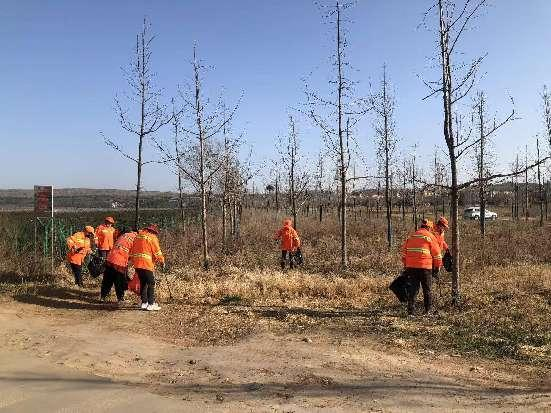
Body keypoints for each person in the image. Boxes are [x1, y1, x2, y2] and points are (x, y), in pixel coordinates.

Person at [401, 219, 442, 315]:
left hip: (411, 267)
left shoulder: (412, 236)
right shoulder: (430, 236)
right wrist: (437, 267)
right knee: (427, 289)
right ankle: (428, 311)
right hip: (425, 267)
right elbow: (437, 255)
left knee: (413, 289)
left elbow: (403, 254)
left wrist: (406, 265)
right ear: (429, 228)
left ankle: (411, 311)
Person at [129, 224, 165, 311]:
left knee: (143, 283)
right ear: (153, 231)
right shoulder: (152, 237)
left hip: (137, 264)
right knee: (151, 283)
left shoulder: (138, 237)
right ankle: (151, 304)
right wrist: (162, 261)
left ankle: (144, 303)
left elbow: (132, 251)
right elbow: (157, 252)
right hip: (146, 263)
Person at [101, 228, 137, 303]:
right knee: (119, 281)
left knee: (107, 279)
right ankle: (120, 299)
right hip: (119, 261)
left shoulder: (124, 235)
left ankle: (103, 297)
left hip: (110, 258)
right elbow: (133, 254)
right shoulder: (135, 239)